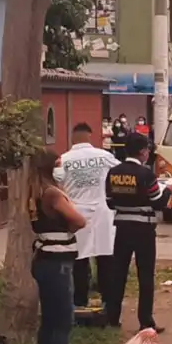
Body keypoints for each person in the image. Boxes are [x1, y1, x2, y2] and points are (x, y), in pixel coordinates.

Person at [29, 148, 92, 344]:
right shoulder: (53, 194)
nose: (61, 167)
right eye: (58, 163)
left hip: (43, 260)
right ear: (48, 167)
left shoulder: (33, 193)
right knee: (63, 321)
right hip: (58, 263)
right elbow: (79, 220)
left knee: (48, 320)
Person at [103, 133, 172, 332]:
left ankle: (113, 318)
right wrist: (168, 190)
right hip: (144, 229)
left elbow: (109, 202)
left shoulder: (113, 172)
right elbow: (158, 202)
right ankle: (145, 321)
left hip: (122, 228)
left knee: (118, 274)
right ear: (142, 151)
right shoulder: (146, 175)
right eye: (147, 149)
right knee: (145, 275)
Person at [54, 123, 121, 308]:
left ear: (72, 137)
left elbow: (56, 183)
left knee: (79, 259)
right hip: (103, 212)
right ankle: (109, 301)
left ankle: (79, 301)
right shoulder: (105, 156)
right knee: (105, 257)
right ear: (90, 136)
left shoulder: (64, 159)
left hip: (76, 213)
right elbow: (119, 173)